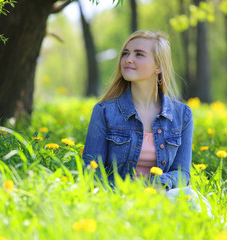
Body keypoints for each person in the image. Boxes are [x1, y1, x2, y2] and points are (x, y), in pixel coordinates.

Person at [82, 30, 212, 216]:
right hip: (117, 201)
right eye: (126, 53)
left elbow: (182, 174)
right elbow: (91, 170)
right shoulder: (104, 111)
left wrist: (157, 185)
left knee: (190, 196)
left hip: (161, 197)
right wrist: (128, 195)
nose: (128, 59)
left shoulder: (182, 115)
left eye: (139, 54)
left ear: (158, 66)